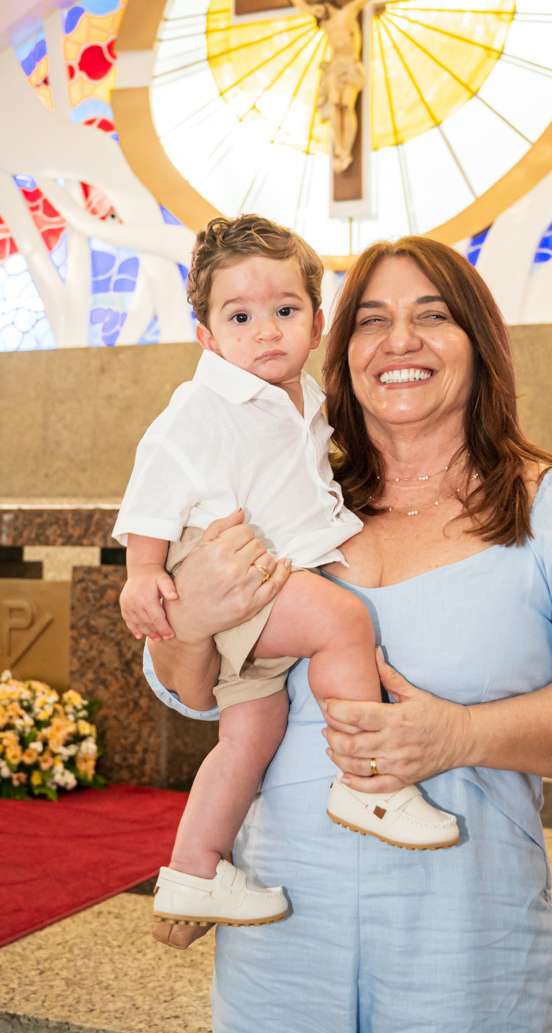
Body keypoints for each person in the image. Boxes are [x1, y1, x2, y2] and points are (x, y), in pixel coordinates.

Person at [144, 235, 552, 1033]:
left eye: (431, 316)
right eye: (373, 321)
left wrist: (456, 736)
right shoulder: (289, 498)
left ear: (479, 342)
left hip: (464, 934)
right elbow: (187, 690)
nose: (400, 342)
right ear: (338, 346)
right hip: (284, 933)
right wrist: (192, 618)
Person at [115, 217, 459, 933]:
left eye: (284, 311)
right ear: (206, 335)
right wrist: (143, 569)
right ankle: (364, 783)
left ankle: (193, 869)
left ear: (316, 322)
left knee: (250, 733)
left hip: (261, 587)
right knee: (343, 620)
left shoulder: (310, 402)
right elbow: (155, 480)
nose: (264, 331)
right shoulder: (203, 405)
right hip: (237, 571)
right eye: (239, 317)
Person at [281, 0, 401, 173]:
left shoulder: (348, 12)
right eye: (315, 12)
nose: (317, 14)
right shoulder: (325, 23)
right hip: (335, 68)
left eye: (318, 9)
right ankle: (340, 150)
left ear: (326, 3)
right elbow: (302, 7)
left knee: (346, 103)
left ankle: (346, 148)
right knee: (336, 105)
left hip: (350, 66)